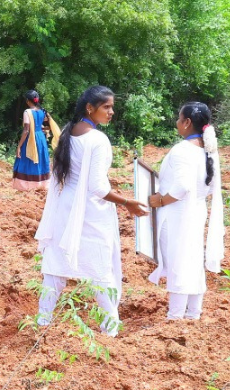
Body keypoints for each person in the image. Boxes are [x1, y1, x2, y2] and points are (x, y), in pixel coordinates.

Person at [34, 86, 148, 336]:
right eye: (106, 107)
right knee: (100, 269)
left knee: (55, 267)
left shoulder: (68, 132)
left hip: (66, 207)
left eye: (111, 107)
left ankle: (42, 322)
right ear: (90, 108)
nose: (111, 112)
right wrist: (126, 202)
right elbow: (97, 187)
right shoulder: (97, 139)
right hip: (90, 211)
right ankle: (111, 329)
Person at [144, 102, 224, 321]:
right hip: (196, 210)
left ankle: (176, 316)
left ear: (187, 122)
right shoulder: (209, 150)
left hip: (177, 213)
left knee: (178, 262)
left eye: (179, 119)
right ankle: (193, 313)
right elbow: (208, 186)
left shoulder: (182, 150)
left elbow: (182, 187)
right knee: (193, 261)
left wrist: (161, 200)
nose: (177, 123)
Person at [12, 89, 61, 191]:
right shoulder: (43, 111)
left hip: (31, 138)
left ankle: (27, 185)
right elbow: (49, 125)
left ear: (27, 101)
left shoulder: (27, 112)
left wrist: (19, 146)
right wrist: (41, 129)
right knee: (41, 158)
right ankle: (42, 184)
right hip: (41, 138)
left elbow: (26, 130)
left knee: (27, 158)